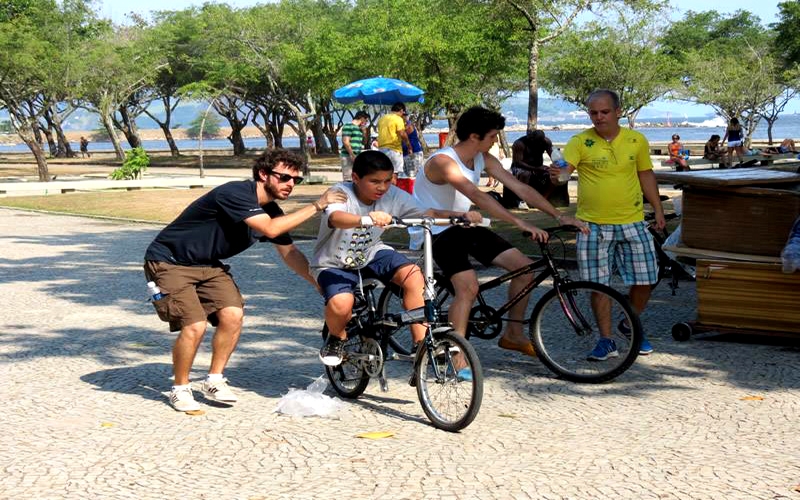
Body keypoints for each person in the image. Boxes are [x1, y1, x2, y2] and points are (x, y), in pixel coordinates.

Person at [143, 149, 347, 412]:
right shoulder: (236, 193)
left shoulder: (271, 210)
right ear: (263, 174)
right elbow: (271, 229)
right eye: (284, 177)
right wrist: (317, 205)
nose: (290, 184)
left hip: (209, 265)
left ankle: (214, 380)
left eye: (296, 180)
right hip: (170, 261)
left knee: (233, 314)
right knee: (194, 326)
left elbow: (290, 252)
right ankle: (180, 388)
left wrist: (318, 284)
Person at [413, 106, 585, 361]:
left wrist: (559, 216)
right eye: (493, 136)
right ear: (474, 136)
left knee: (525, 269)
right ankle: (456, 356)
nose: (496, 141)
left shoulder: (483, 158)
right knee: (468, 287)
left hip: (463, 225)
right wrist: (520, 223)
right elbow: (476, 195)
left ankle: (513, 335)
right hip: (435, 228)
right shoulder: (442, 161)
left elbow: (520, 188)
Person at [312, 150, 481, 368]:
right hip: (332, 263)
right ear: (355, 178)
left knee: (412, 275)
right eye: (374, 182)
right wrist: (365, 219)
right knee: (343, 304)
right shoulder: (340, 193)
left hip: (371, 253)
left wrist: (458, 216)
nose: (382, 187)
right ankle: (336, 337)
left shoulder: (393, 194)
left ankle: (421, 343)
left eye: (386, 181)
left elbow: (424, 213)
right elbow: (335, 218)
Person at [550, 89, 665, 358]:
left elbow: (646, 175)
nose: (599, 117)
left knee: (647, 278)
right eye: (593, 112)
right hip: (592, 226)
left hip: (633, 222)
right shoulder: (580, 142)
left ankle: (630, 323)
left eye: (604, 112)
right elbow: (564, 173)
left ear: (618, 111)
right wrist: (558, 175)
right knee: (598, 285)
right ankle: (606, 340)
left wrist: (658, 209)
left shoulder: (636, 140)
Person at [504, 130, 569, 209]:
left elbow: (553, 155)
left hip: (538, 167)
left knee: (552, 174)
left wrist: (557, 165)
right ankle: (522, 200)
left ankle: (544, 198)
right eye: (536, 142)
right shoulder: (519, 144)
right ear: (531, 139)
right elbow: (517, 162)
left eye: (540, 142)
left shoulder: (545, 142)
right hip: (521, 167)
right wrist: (536, 168)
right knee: (525, 174)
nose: (538, 144)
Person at [377, 102, 412, 182]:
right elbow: (402, 134)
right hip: (394, 150)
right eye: (403, 112)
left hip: (381, 149)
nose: (403, 114)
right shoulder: (398, 119)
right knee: (394, 174)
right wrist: (409, 146)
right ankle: (392, 193)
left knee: (384, 173)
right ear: (401, 110)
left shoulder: (381, 119)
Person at [340, 111, 369, 181]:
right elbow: (345, 141)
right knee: (348, 178)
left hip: (357, 155)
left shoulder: (360, 129)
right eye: (366, 120)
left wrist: (364, 132)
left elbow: (364, 143)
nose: (366, 122)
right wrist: (352, 155)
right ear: (362, 118)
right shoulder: (348, 126)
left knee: (357, 178)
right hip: (348, 155)